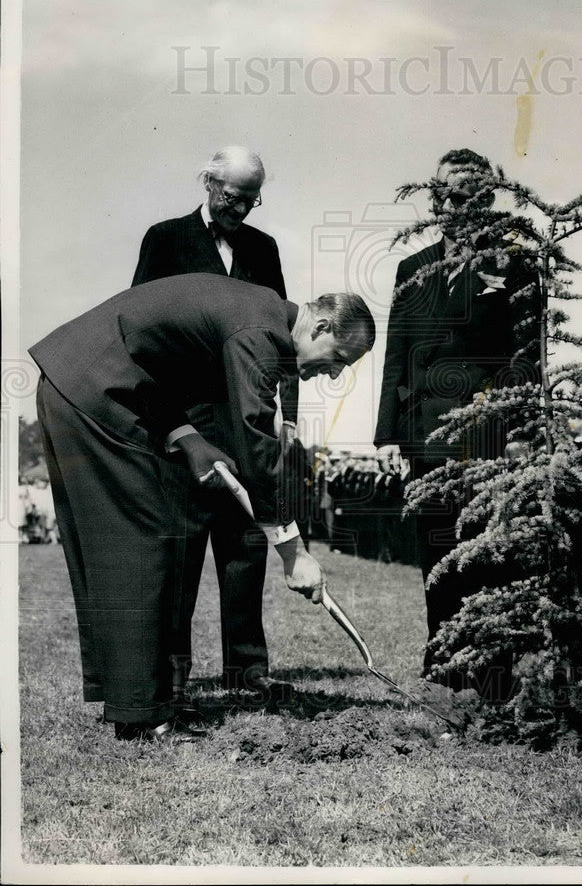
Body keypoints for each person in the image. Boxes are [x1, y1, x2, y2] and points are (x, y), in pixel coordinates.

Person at [30, 275, 375, 742]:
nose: (334, 374)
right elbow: (255, 445)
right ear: (320, 325)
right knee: (144, 545)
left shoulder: (262, 318)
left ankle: (144, 702)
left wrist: (187, 437)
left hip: (95, 381)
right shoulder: (259, 331)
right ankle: (144, 715)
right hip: (93, 387)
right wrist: (294, 553)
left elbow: (169, 374)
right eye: (338, 359)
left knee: (149, 542)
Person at [132, 147, 298, 699]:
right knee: (180, 551)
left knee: (246, 545)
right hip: (185, 423)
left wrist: (288, 418)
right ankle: (171, 674)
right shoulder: (165, 239)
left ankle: (246, 671)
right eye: (234, 196)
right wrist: (168, 425)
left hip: (244, 414)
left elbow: (279, 335)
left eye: (253, 199)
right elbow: (141, 330)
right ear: (207, 182)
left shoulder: (264, 249)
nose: (243, 208)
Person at [374, 148, 540, 700]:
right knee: (437, 559)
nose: (448, 206)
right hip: (423, 442)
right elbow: (396, 356)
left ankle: (493, 680)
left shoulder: (513, 265)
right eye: (439, 195)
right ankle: (446, 671)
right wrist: (389, 435)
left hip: (484, 438)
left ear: (487, 200)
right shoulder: (410, 268)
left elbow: (526, 357)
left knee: (484, 559)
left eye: (463, 197)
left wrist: (508, 426)